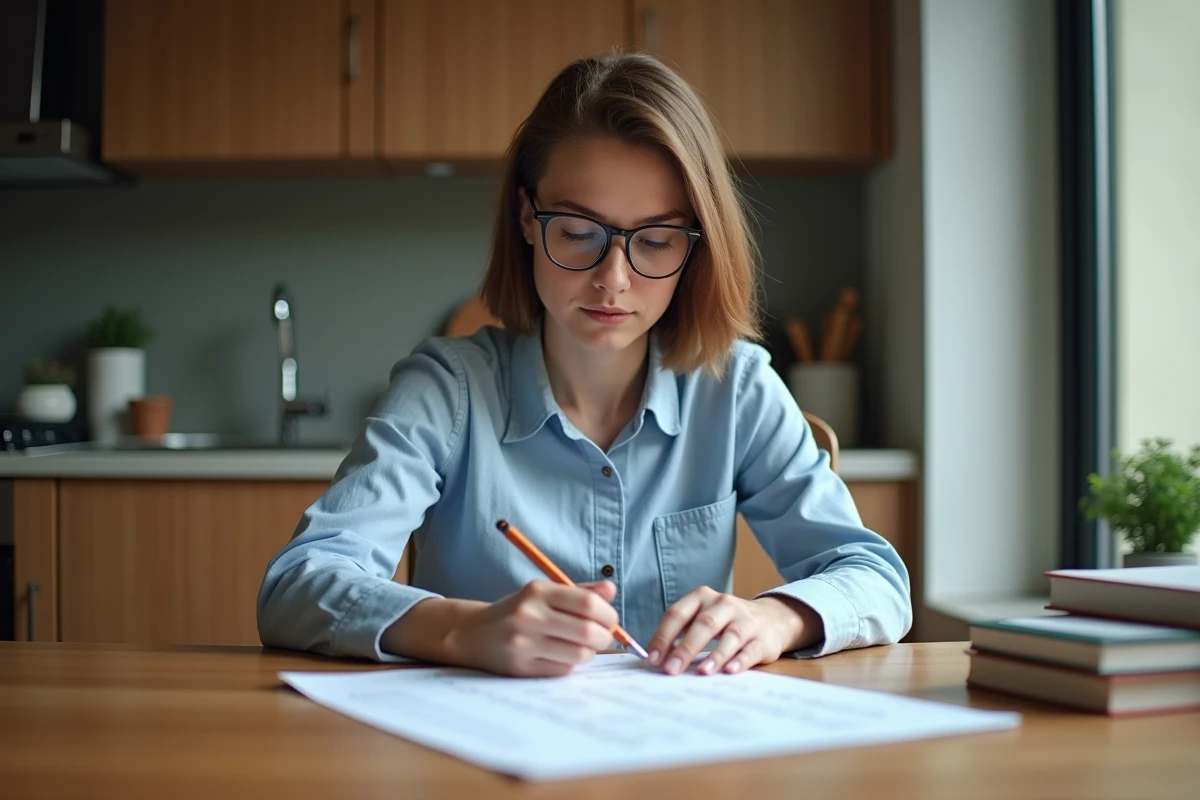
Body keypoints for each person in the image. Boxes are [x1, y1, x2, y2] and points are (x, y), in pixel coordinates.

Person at [257, 51, 911, 678]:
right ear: (526, 218)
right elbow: (298, 585)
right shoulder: (447, 392)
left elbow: (877, 581)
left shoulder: (735, 389)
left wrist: (774, 619)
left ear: (697, 247)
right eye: (576, 232)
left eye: (655, 241)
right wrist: (461, 630)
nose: (613, 280)